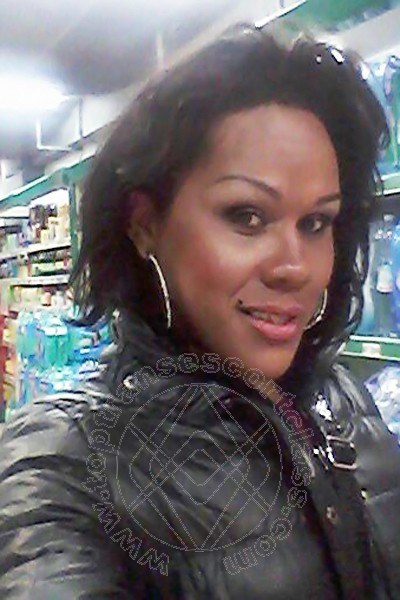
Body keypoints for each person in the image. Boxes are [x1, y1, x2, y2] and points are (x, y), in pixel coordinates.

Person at [0, 24, 399, 600]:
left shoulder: (341, 398)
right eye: (247, 217)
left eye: (316, 223)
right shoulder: (68, 462)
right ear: (144, 224)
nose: (295, 268)